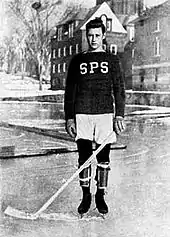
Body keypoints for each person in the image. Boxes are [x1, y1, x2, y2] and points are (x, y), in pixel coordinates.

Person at [64, 17, 125, 216]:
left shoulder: (112, 60)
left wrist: (120, 116)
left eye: (97, 36)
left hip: (104, 113)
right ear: (86, 36)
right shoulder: (78, 60)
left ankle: (100, 194)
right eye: (90, 36)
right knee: (83, 157)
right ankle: (85, 196)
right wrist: (70, 117)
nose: (93, 40)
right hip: (82, 114)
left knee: (103, 157)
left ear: (104, 36)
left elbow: (119, 89)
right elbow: (70, 91)